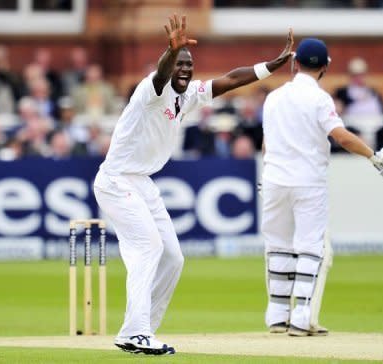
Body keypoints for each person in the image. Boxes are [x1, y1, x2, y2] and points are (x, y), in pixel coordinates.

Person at [93, 14, 294, 355]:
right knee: (148, 248)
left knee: (173, 257)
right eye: (180, 64)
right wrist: (171, 53)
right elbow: (160, 75)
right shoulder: (151, 91)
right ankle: (136, 331)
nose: (185, 70)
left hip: (141, 181)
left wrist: (272, 65)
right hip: (116, 180)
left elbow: (230, 80)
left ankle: (141, 331)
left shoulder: (189, 96)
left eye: (189, 64)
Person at [261, 38, 383, 337]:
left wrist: (266, 173)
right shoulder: (320, 99)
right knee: (310, 247)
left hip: (274, 181)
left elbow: (267, 142)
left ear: (295, 64)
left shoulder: (273, 98)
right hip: (308, 182)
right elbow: (341, 137)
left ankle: (277, 315)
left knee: (278, 245)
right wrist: (374, 157)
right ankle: (301, 316)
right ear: (324, 67)